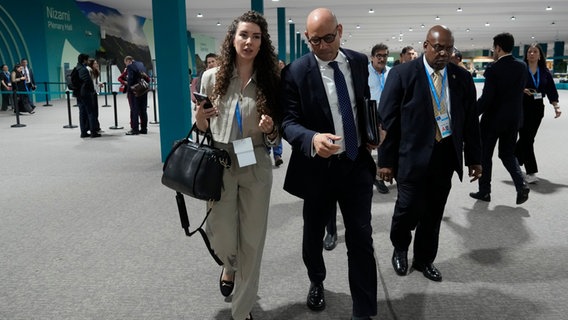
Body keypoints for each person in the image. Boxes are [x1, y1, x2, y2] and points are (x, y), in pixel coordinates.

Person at [281, 8, 378, 319]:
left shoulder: (359, 62)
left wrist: (373, 130)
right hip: (317, 170)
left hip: (355, 163)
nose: (321, 46)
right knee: (312, 235)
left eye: (327, 38)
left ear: (340, 30)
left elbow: (362, 102)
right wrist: (311, 139)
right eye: (314, 41)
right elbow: (288, 122)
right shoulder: (296, 72)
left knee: (361, 237)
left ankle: (363, 310)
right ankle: (316, 280)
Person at [378, 25, 482, 283]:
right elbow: (387, 121)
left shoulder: (462, 78)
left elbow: (470, 123)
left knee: (434, 211)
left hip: (444, 156)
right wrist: (386, 162)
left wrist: (476, 158)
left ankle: (424, 259)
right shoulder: (402, 75)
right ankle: (400, 247)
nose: (444, 53)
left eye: (448, 48)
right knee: (408, 207)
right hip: (410, 157)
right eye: (438, 47)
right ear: (426, 46)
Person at [194, 11, 280, 320]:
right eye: (244, 35)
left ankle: (242, 311)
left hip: (254, 161)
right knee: (223, 235)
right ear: (233, 38)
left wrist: (270, 128)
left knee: (252, 241)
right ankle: (229, 266)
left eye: (256, 37)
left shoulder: (271, 79)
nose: (249, 42)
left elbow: (275, 135)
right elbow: (201, 127)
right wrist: (201, 120)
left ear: (262, 42)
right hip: (219, 160)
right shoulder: (211, 78)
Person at [469, 32, 530, 205]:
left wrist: (471, 114)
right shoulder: (521, 66)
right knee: (507, 154)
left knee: (485, 156)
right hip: (514, 119)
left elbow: (487, 99)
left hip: (493, 121)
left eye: (493, 48)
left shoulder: (494, 69)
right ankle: (521, 184)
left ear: (498, 48)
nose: (493, 51)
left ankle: (484, 191)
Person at [515, 43, 562, 184]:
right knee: (527, 139)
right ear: (526, 54)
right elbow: (513, 86)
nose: (532, 54)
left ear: (540, 55)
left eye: (535, 52)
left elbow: (551, 90)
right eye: (529, 51)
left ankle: (514, 155)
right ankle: (531, 171)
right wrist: (522, 90)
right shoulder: (521, 69)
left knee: (529, 138)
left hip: (537, 109)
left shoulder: (545, 71)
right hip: (522, 106)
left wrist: (556, 106)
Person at [266, 59, 286, 167]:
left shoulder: (281, 78)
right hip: (265, 109)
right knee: (266, 132)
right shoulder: (264, 76)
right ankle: (267, 154)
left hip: (276, 110)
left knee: (276, 131)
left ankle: (277, 155)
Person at [74, 54, 100, 138]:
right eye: (87, 60)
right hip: (85, 94)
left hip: (79, 94)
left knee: (82, 113)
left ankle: (83, 132)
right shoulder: (83, 69)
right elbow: (87, 81)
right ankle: (93, 132)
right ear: (84, 60)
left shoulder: (76, 68)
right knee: (91, 112)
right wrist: (92, 91)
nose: (88, 61)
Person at [124, 56, 149, 135]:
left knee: (134, 110)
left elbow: (130, 79)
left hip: (135, 92)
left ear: (128, 61)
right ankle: (144, 129)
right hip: (143, 90)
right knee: (143, 110)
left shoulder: (130, 66)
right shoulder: (141, 65)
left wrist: (128, 91)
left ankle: (135, 130)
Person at [87, 58, 103, 133]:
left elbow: (95, 81)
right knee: (93, 111)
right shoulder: (89, 70)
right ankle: (93, 127)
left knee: (96, 111)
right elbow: (90, 82)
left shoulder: (95, 71)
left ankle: (96, 126)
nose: (96, 64)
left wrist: (99, 83)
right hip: (91, 93)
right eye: (95, 63)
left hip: (95, 92)